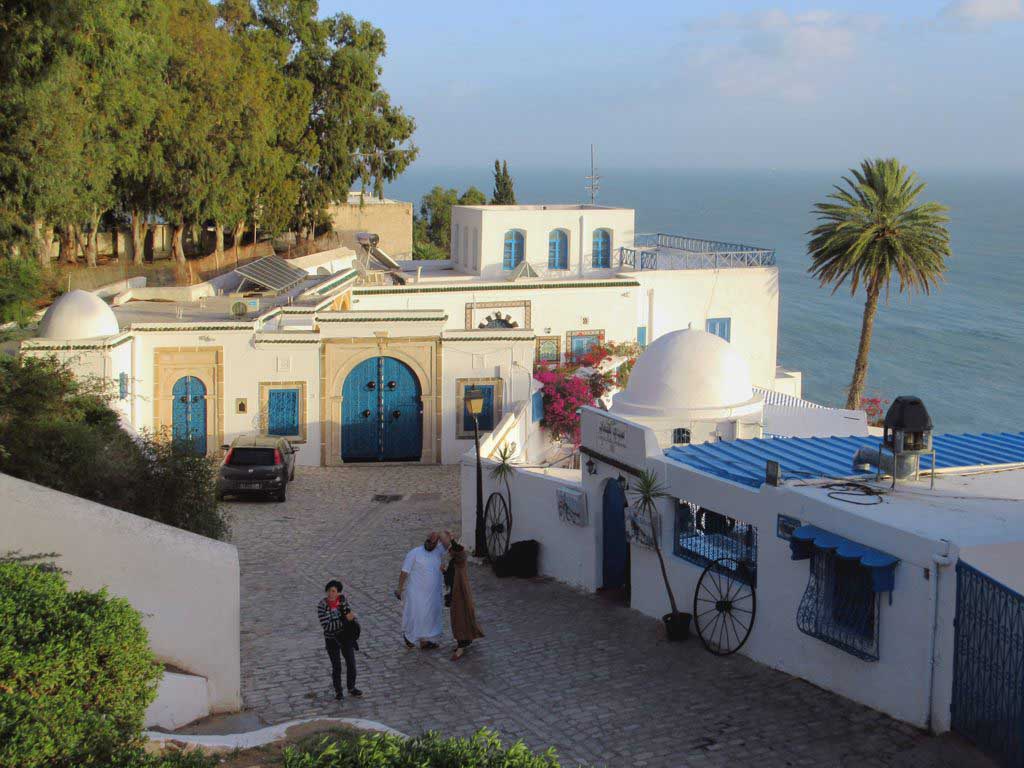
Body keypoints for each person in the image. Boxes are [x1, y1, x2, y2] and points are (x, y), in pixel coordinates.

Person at [395, 531, 449, 649]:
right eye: (428, 541)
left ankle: (424, 641)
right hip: (417, 593)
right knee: (417, 616)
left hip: (433, 594)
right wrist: (399, 588)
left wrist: (439, 535)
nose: (430, 544)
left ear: (437, 543)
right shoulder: (414, 553)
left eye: (433, 542)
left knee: (429, 617)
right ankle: (409, 636)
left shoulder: (438, 551)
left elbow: (447, 543)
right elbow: (404, 572)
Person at [317, 580, 362, 700]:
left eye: (333, 591)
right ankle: (338, 691)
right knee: (336, 666)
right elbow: (327, 626)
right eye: (329, 591)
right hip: (331, 639)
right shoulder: (322, 605)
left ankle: (351, 687)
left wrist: (349, 619)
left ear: (338, 592)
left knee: (351, 664)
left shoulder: (343, 601)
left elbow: (349, 616)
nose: (330, 594)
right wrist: (345, 620)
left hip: (346, 638)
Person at [446, 534, 484, 661]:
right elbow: (450, 577)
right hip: (454, 593)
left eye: (451, 550)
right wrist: (444, 572)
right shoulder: (454, 562)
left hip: (461, 594)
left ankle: (461, 646)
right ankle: (464, 641)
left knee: (460, 618)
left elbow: (460, 551)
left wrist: (452, 539)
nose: (449, 552)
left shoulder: (460, 560)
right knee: (457, 618)